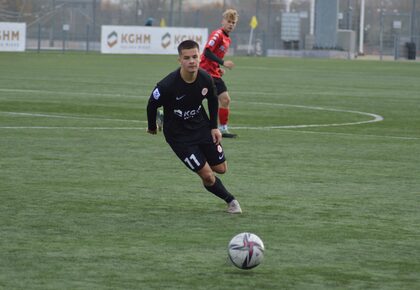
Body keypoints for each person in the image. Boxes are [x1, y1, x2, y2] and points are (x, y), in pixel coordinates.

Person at [146, 40, 242, 214]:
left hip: (201, 127)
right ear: (179, 60)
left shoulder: (205, 78)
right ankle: (231, 201)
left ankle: (201, 154)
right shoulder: (167, 85)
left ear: (199, 58)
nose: (191, 61)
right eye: (187, 58)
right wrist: (152, 126)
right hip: (179, 136)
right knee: (207, 175)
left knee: (221, 169)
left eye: (195, 57)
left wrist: (214, 127)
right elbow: (151, 104)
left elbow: (213, 99)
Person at [199, 9, 239, 138]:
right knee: (192, 101)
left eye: (233, 22)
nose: (231, 24)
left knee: (225, 99)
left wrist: (218, 67)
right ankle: (165, 115)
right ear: (223, 21)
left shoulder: (228, 39)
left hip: (214, 73)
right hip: (204, 73)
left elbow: (213, 56)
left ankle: (222, 129)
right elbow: (207, 52)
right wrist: (222, 63)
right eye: (229, 21)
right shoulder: (217, 34)